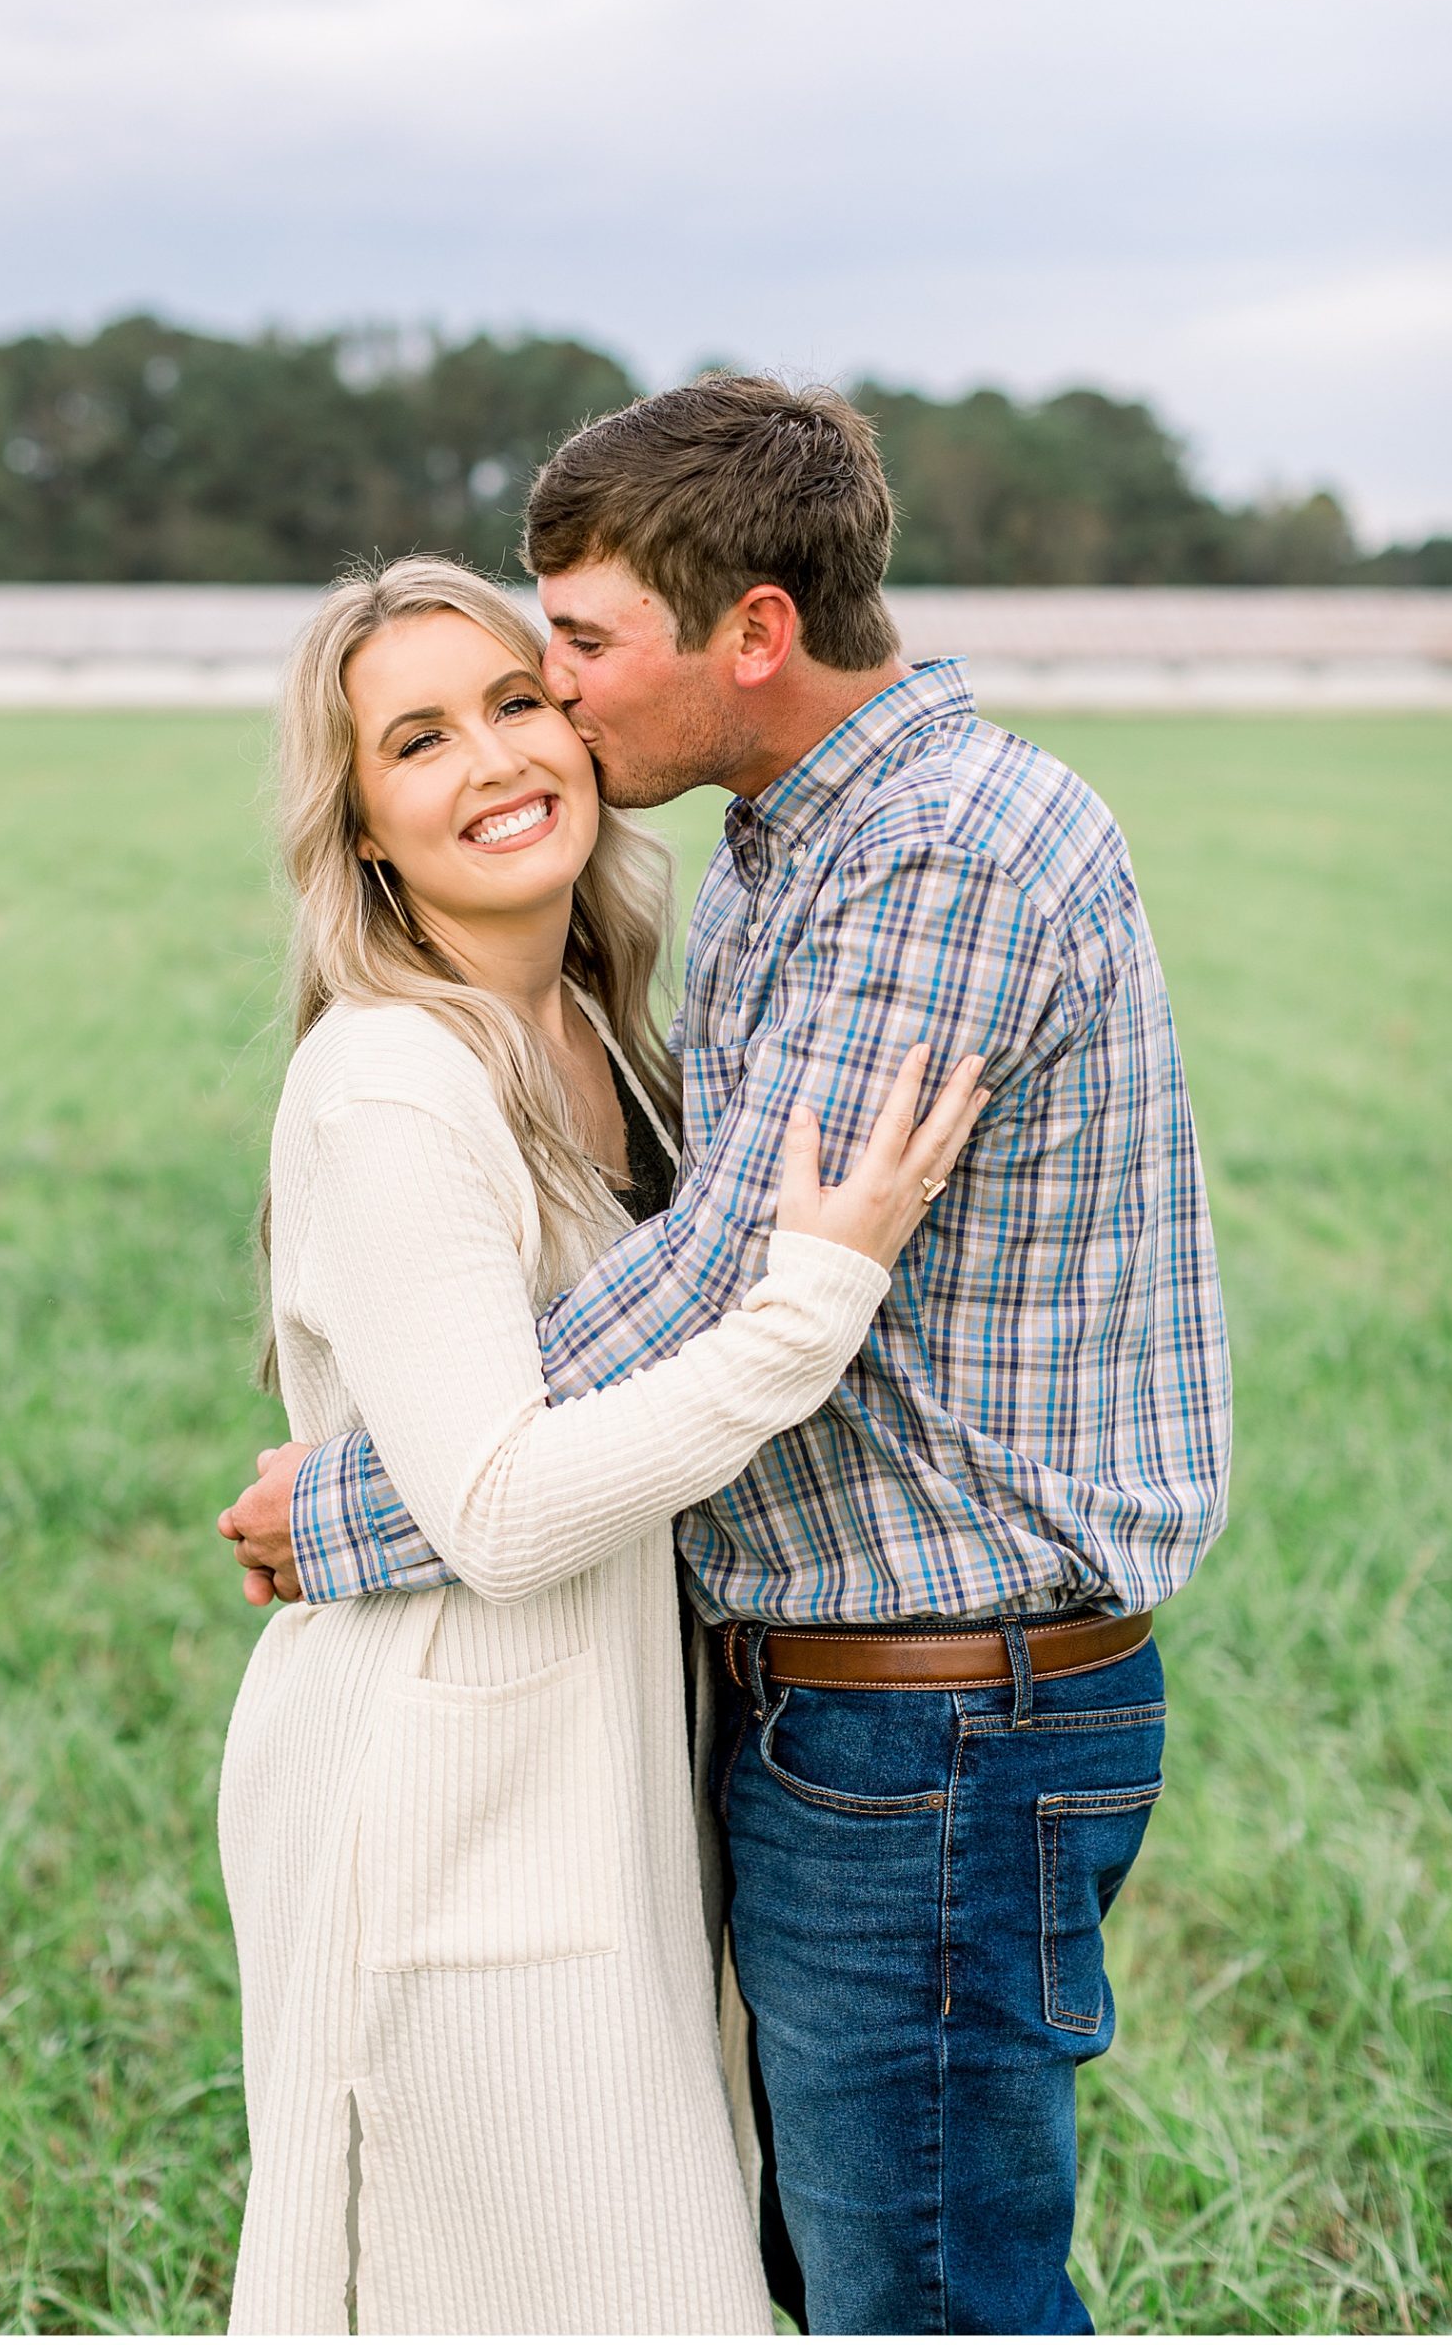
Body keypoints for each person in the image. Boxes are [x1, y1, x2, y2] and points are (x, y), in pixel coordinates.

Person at [224, 377, 1234, 2336]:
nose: (559, 708)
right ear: (353, 814)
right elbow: (718, 1281)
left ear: (748, 633)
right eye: (437, 724)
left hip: (928, 1723)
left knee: (917, 2294)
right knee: (800, 2270)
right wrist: (427, 1472)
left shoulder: (932, 852)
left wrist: (353, 1494)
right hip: (779, 1727)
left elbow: (720, 1280)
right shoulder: (778, 850)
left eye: (565, 660)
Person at [216, 555, 989, 2335]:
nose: (492, 758)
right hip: (444, 1802)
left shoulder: (596, 1035)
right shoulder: (396, 1082)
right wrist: (807, 1311)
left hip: (595, 1779)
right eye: (416, 741)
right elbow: (494, 1506)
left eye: (510, 700)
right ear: (363, 833)